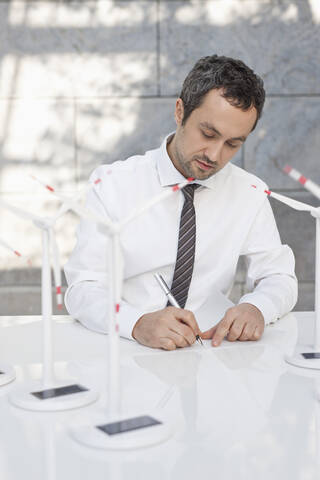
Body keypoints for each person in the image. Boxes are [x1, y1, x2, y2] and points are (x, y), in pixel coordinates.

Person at [64, 54, 297, 350]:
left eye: (232, 144)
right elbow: (82, 288)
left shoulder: (249, 192)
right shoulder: (112, 185)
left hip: (210, 353)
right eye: (208, 134)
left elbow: (279, 276)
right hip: (127, 349)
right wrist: (136, 323)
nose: (214, 155)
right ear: (179, 111)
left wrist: (258, 307)